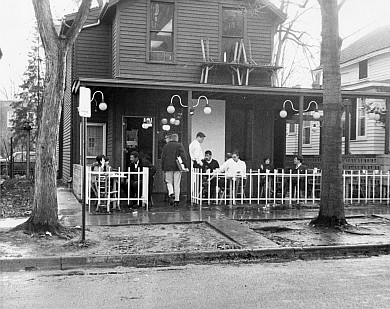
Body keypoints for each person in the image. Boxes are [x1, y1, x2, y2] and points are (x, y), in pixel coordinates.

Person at [161, 133, 189, 206]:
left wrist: (163, 167)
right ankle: (177, 200)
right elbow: (183, 156)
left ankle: (171, 193)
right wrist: (186, 165)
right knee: (177, 183)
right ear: (177, 138)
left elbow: (163, 157)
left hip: (167, 167)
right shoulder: (179, 145)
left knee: (169, 182)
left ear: (171, 138)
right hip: (177, 167)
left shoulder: (166, 146)